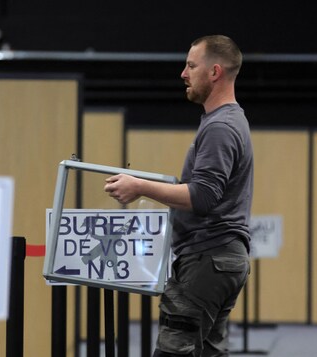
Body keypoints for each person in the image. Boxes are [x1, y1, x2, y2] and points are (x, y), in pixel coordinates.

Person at [104, 35, 253, 357]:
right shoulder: (225, 121)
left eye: (190, 65)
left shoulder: (220, 127)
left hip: (207, 258)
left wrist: (139, 187)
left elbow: (203, 196)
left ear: (214, 72)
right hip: (219, 259)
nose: (183, 74)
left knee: (174, 351)